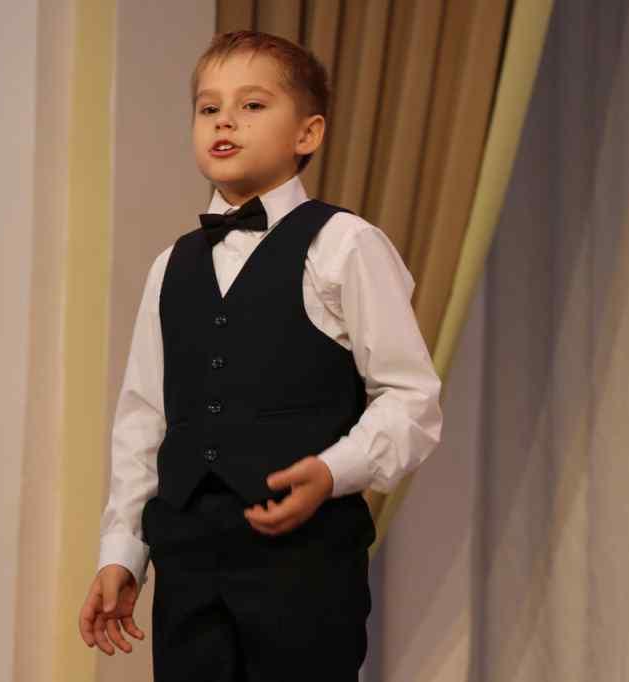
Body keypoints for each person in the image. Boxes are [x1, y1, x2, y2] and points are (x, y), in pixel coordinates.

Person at [77, 29, 442, 681]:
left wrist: (332, 470)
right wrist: (122, 550)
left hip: (303, 564)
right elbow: (145, 419)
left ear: (308, 133)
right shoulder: (170, 265)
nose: (224, 120)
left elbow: (411, 399)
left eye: (251, 105)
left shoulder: (345, 245)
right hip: (188, 563)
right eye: (208, 107)